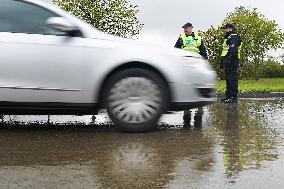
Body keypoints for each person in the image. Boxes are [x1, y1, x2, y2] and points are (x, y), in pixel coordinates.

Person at [175, 22, 207, 127]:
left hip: (196, 63)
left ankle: (199, 103)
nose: (185, 29)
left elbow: (203, 51)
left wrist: (205, 62)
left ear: (191, 28)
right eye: (184, 28)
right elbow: (175, 50)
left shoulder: (198, 38)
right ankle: (187, 105)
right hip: (185, 63)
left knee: (198, 83)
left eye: (186, 28)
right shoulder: (181, 38)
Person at [220, 23, 242, 103]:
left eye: (225, 28)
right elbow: (225, 51)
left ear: (230, 29)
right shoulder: (229, 37)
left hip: (232, 60)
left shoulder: (234, 37)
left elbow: (233, 50)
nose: (224, 30)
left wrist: (229, 59)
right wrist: (223, 61)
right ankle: (228, 96)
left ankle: (233, 97)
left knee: (232, 79)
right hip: (228, 60)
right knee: (228, 79)